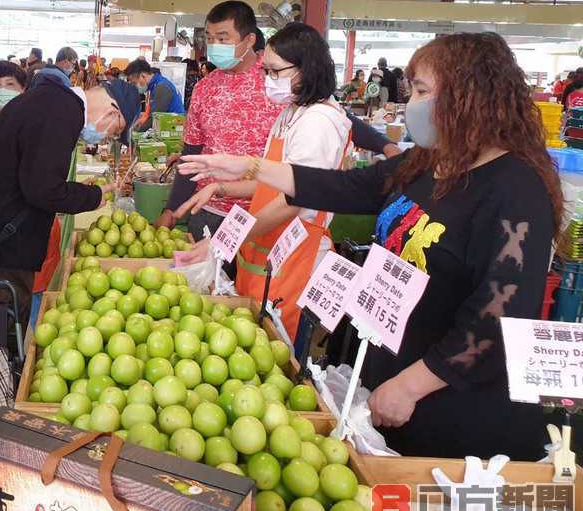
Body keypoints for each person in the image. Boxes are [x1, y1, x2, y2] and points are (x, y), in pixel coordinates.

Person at [179, 31, 559, 459]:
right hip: (391, 381)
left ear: (469, 95)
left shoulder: (515, 190)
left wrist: (413, 383)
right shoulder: (429, 163)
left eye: (422, 91)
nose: (412, 103)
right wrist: (250, 166)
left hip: (453, 410)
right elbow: (344, 187)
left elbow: (498, 315)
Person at [175, 23, 352, 337]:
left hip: (296, 256)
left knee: (277, 347)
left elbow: (293, 201)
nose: (267, 80)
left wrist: (223, 241)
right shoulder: (291, 112)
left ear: (306, 69)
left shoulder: (320, 123)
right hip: (269, 251)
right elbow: (275, 182)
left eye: (273, 71)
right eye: (265, 71)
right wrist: (222, 187)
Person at [0, 65, 140, 343]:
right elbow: (42, 190)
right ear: (113, 112)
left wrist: (77, 191)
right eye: (116, 130)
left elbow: (34, 175)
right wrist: (93, 197)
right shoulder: (62, 112)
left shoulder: (51, 100)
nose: (108, 136)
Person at [154, 1, 283, 240]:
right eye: (210, 38)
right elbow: (192, 152)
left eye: (223, 38)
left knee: (252, 278)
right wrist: (171, 211)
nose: (214, 46)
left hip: (265, 215)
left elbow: (328, 111)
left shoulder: (278, 79)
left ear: (250, 40)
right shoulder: (205, 88)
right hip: (208, 212)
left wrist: (377, 142)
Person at [124, 58, 185, 132]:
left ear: (142, 76)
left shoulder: (162, 87)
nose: (134, 86)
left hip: (173, 131)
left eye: (134, 83)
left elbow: (155, 117)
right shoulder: (155, 86)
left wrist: (135, 132)